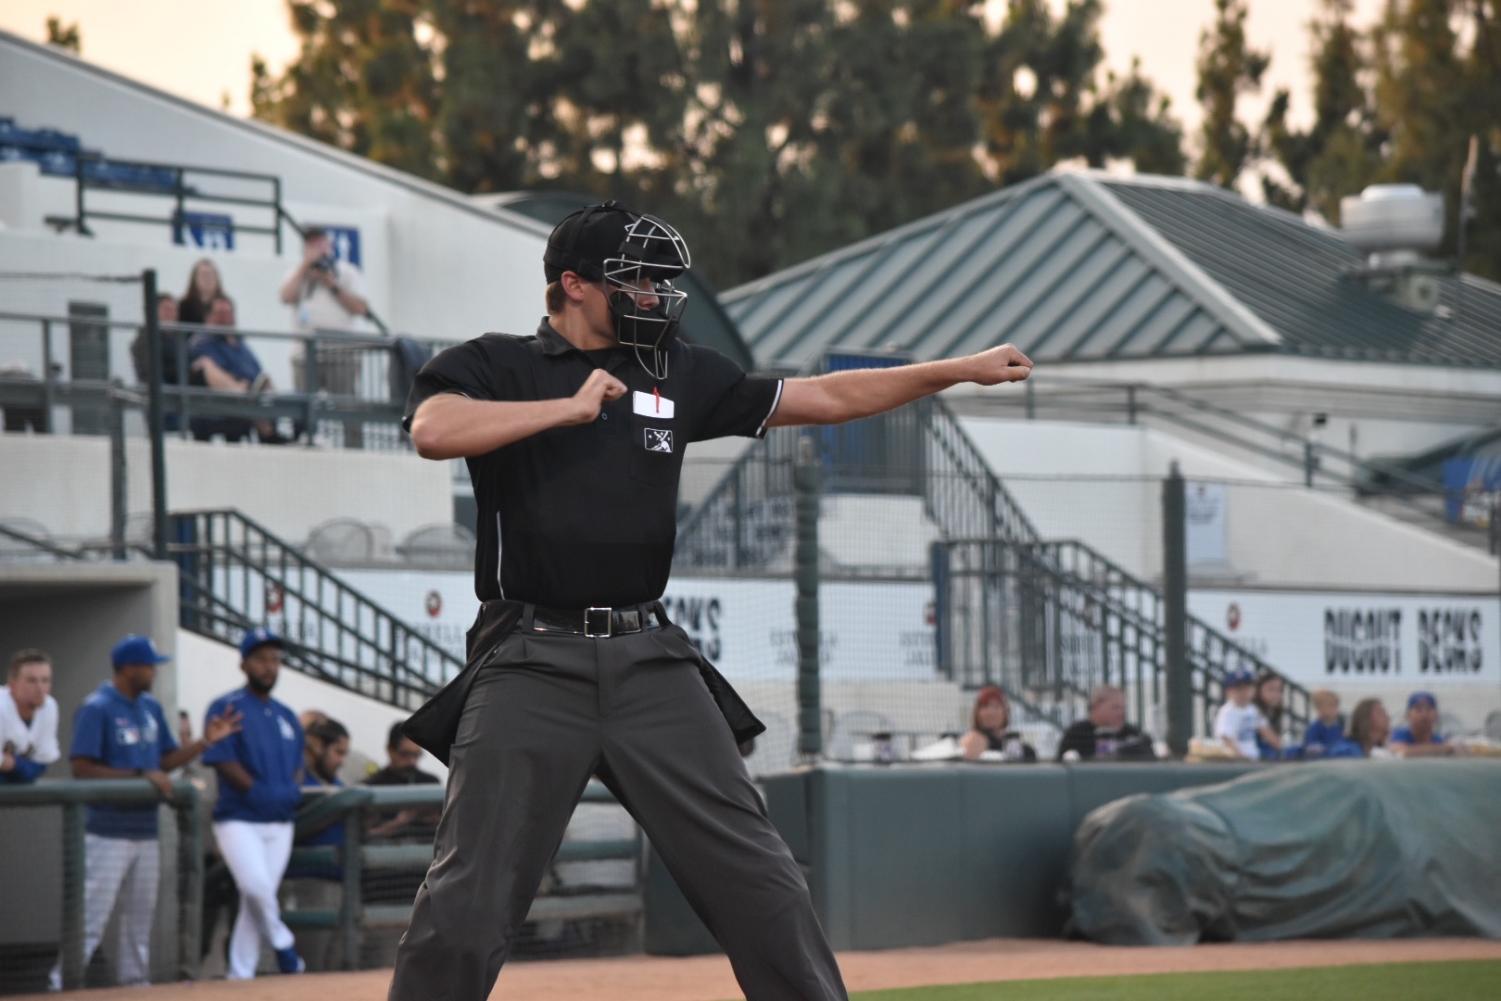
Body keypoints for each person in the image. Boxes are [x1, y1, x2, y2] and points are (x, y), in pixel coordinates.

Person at [387, 200, 1034, 1001]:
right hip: (530, 660)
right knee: (467, 904)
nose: (657, 296)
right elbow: (432, 428)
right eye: (638, 281)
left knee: (763, 885)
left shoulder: (678, 370)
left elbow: (824, 399)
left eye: (662, 281)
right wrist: (567, 408)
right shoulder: (495, 362)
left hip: (649, 661)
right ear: (573, 285)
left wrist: (952, 369)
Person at [56, 635, 240, 988]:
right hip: (106, 829)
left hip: (145, 828)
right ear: (128, 668)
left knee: (140, 920)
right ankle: (59, 984)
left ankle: (135, 985)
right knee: (92, 917)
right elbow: (81, 766)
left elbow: (166, 761)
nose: (154, 672)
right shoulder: (98, 706)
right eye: (148, 665)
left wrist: (203, 743)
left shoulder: (150, 708)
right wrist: (140, 776)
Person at [202, 627, 308, 978]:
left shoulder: (287, 715)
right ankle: (283, 943)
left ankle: (240, 974)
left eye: (275, 660)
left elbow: (298, 765)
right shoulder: (226, 706)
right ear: (244, 663)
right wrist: (257, 790)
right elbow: (221, 756)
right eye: (261, 659)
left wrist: (290, 791)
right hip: (239, 818)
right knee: (254, 886)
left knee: (256, 901)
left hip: (280, 821)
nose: (269, 667)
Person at [281, 226, 370, 446]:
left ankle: (355, 449)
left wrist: (331, 284)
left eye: (320, 244)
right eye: (311, 245)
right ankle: (304, 443)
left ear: (329, 246)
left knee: (347, 405)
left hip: (341, 352)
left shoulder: (346, 272)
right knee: (303, 405)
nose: (317, 250)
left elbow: (360, 307)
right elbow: (285, 296)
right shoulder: (297, 273)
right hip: (305, 353)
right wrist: (305, 268)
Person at [285, 716, 350, 972]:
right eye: (337, 752)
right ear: (317, 747)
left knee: (334, 970)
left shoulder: (337, 784)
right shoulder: (297, 778)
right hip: (307, 885)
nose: (341, 760)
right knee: (309, 967)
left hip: (340, 885)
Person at [187, 296, 286, 444]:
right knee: (210, 367)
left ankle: (269, 430)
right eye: (220, 314)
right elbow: (211, 373)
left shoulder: (240, 344)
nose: (226, 318)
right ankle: (265, 430)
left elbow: (257, 373)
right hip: (220, 401)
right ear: (209, 317)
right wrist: (240, 386)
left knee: (269, 385)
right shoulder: (202, 343)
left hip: (250, 394)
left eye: (228, 313)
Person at [363, 721, 441, 840]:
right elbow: (362, 836)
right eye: (405, 754)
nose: (412, 761)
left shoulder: (431, 783)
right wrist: (399, 823)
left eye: (416, 755)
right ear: (390, 750)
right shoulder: (370, 787)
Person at [0, 648, 60, 784]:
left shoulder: (49, 706)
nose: (40, 688)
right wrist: (22, 766)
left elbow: (41, 764)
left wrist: (12, 764)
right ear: (12, 684)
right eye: (31, 681)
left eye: (45, 680)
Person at [1055, 685, 1155, 761]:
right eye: (1115, 708)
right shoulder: (1077, 733)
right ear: (1096, 707)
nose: (1122, 713)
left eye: (1123, 708)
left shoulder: (1133, 733)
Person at [959, 685, 1038, 762]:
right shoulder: (971, 741)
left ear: (1005, 712)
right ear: (977, 713)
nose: (990, 712)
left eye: (996, 707)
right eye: (985, 706)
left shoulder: (1022, 750)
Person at [1213, 670, 1279, 761]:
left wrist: (1281, 747)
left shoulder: (1252, 709)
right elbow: (1226, 739)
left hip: (1253, 758)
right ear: (1228, 691)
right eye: (1238, 689)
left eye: (1247, 688)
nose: (1243, 692)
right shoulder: (1227, 712)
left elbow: (1266, 731)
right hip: (1233, 761)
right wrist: (1242, 758)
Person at [1389, 691, 1458, 758]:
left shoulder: (1439, 739)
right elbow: (1400, 751)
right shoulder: (1399, 735)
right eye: (1418, 710)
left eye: (1428, 709)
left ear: (1436, 715)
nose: (1424, 715)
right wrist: (1444, 749)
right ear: (1408, 715)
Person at [179, 257, 227, 325]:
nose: (207, 279)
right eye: (203, 275)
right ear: (194, 279)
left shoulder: (225, 306)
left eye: (210, 275)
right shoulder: (184, 305)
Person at [1300, 689, 1345, 759]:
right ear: (1320, 709)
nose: (1335, 710)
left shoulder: (1339, 728)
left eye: (1336, 706)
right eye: (1331, 706)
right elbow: (1312, 748)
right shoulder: (1314, 729)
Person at [1253, 672, 1287, 760]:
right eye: (1271, 689)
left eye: (1279, 690)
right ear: (1258, 690)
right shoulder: (1253, 711)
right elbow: (1276, 743)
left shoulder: (1273, 713)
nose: (1276, 694)